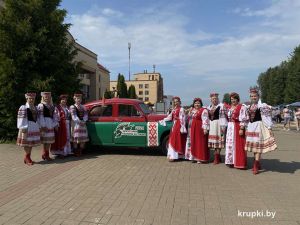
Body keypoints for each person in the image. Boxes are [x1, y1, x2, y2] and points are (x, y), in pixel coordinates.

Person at [245, 88, 277, 175]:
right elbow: (247, 119)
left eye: (255, 96)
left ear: (258, 96)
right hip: (251, 127)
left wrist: (269, 128)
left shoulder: (262, 106)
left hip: (259, 127)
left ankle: (255, 165)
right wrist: (246, 127)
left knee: (258, 147)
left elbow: (266, 118)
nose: (253, 97)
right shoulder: (249, 106)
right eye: (252, 96)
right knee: (255, 147)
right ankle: (257, 163)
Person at [159, 96, 187, 162]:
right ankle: (175, 155)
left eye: (177, 101)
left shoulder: (181, 109)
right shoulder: (174, 109)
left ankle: (175, 156)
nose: (176, 103)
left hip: (178, 125)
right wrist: (163, 120)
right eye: (174, 102)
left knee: (175, 140)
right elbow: (170, 117)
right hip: (174, 125)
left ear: (180, 102)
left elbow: (183, 119)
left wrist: (182, 127)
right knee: (173, 139)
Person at [225, 92, 248, 169]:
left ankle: (240, 162)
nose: (233, 100)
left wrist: (241, 128)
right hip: (230, 127)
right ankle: (231, 161)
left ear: (238, 99)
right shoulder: (230, 107)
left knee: (239, 144)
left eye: (234, 99)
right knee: (230, 144)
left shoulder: (241, 107)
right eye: (231, 99)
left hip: (237, 126)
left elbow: (244, 118)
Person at [17, 92, 41, 165]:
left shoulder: (36, 107)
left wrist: (39, 126)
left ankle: (28, 157)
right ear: (27, 98)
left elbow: (38, 118)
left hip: (34, 127)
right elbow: (21, 118)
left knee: (30, 143)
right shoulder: (23, 107)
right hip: (27, 126)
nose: (31, 100)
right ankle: (27, 157)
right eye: (30, 98)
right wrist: (22, 127)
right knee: (27, 143)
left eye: (33, 99)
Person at [185, 98, 210, 163]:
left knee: (200, 142)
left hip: (200, 128)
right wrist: (188, 112)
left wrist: (205, 128)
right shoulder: (192, 110)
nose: (197, 104)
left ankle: (200, 158)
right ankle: (194, 157)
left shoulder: (203, 110)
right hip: (193, 127)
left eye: (198, 103)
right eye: (195, 103)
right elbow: (188, 118)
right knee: (194, 142)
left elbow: (205, 120)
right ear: (193, 104)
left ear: (201, 104)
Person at [207, 93, 228, 164]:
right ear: (211, 100)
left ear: (218, 99)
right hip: (212, 125)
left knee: (219, 141)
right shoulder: (209, 107)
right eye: (213, 99)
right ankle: (217, 156)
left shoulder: (221, 106)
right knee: (214, 141)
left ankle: (216, 157)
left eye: (216, 98)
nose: (214, 100)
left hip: (219, 124)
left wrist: (224, 125)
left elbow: (227, 114)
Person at [38, 92, 58, 160]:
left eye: (48, 97)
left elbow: (55, 116)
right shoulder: (41, 105)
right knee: (45, 141)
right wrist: (43, 126)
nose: (47, 98)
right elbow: (40, 116)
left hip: (50, 124)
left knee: (49, 141)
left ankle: (46, 154)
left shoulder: (52, 106)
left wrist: (54, 124)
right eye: (45, 97)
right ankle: (45, 154)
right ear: (43, 98)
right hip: (44, 124)